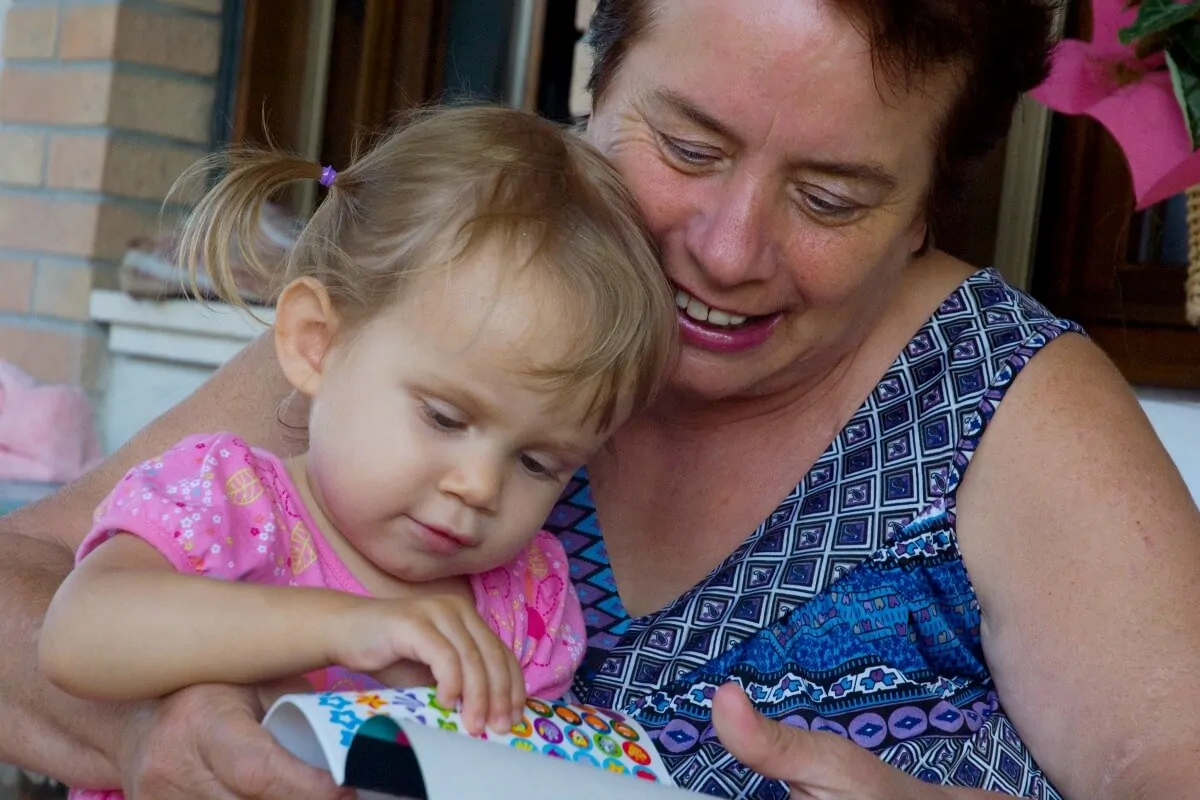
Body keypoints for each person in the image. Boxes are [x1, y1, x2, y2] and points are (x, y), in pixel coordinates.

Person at [2, 0, 1199, 798]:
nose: (729, 250)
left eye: (832, 199)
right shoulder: (456, 298)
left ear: (934, 197)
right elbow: (29, 584)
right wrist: (146, 735)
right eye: (684, 146)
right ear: (596, 78)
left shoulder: (999, 397)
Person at [26, 105, 678, 799]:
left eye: (538, 462)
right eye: (446, 417)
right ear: (317, 344)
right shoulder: (229, 497)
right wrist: (347, 628)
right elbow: (78, 636)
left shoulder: (527, 600)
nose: (480, 485)